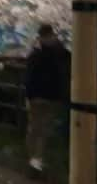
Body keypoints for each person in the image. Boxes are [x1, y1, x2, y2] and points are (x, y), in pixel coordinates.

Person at [25, 23, 71, 173]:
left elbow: (29, 74)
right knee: (43, 128)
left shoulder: (36, 53)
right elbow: (67, 62)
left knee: (35, 127)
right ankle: (37, 159)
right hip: (52, 95)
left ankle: (34, 158)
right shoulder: (59, 52)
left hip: (38, 95)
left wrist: (29, 95)